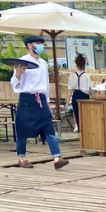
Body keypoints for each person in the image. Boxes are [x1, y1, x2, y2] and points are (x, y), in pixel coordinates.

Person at [10, 35, 68, 170]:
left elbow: (46, 84)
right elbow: (15, 84)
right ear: (30, 45)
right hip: (27, 99)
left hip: (41, 99)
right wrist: (18, 73)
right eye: (37, 43)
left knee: (49, 127)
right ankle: (22, 157)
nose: (40, 46)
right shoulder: (23, 61)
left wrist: (47, 101)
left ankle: (57, 157)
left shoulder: (43, 63)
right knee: (22, 129)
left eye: (41, 43)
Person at [66, 53, 91, 133]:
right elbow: (89, 89)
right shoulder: (86, 75)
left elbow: (69, 90)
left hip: (75, 95)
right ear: (84, 64)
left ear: (76, 64)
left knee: (77, 115)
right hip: (85, 96)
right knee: (86, 116)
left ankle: (80, 131)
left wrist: (67, 102)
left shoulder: (72, 75)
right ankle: (86, 132)